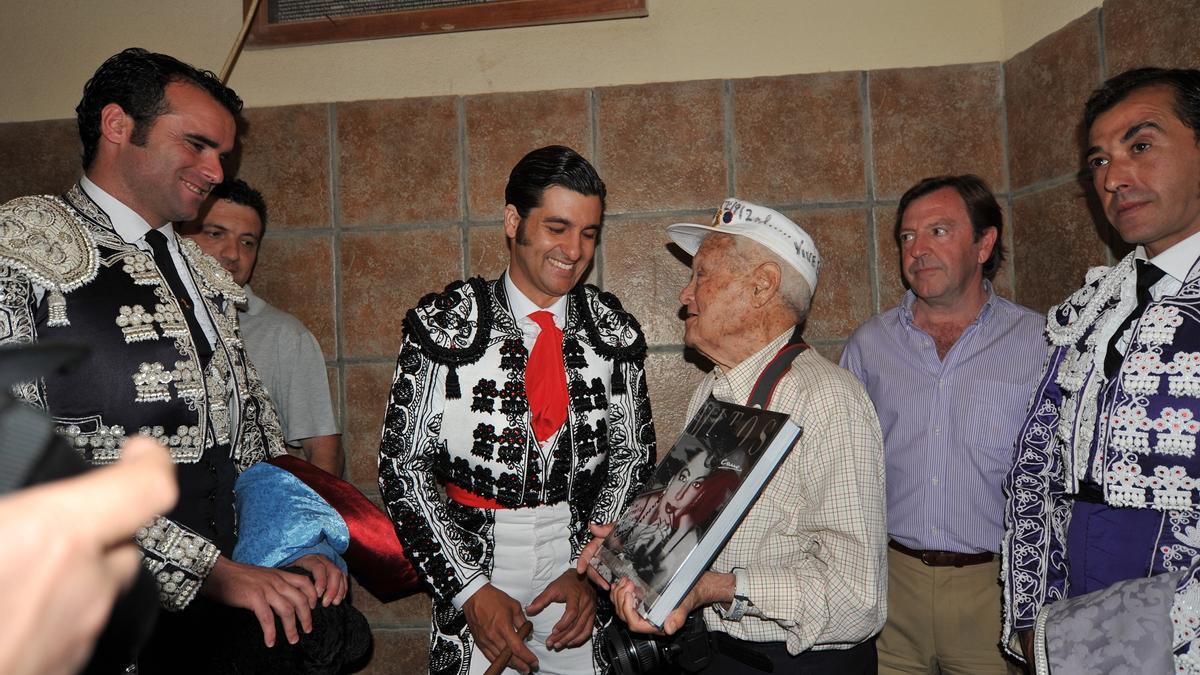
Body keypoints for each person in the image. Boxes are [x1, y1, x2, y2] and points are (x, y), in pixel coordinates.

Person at [0, 48, 346, 671]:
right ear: (117, 126)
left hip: (211, 619)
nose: (214, 170)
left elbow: (253, 442)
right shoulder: (20, 245)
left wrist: (298, 546)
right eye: (196, 145)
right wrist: (210, 571)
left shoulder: (200, 271)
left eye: (222, 154)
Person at [378, 145, 656, 675]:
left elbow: (633, 459)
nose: (573, 250)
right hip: (476, 562)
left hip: (578, 572)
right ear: (513, 221)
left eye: (589, 233)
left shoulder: (612, 333)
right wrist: (469, 590)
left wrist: (591, 570)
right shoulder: (446, 324)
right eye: (557, 227)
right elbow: (402, 467)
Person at [608, 198, 887, 674]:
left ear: (762, 287)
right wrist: (628, 551)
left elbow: (858, 599)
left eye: (702, 275)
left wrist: (716, 588)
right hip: (719, 657)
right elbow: (692, 519)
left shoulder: (829, 402)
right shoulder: (714, 389)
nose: (685, 294)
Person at [1002, 67, 1200, 671]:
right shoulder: (1092, 303)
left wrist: (1147, 632)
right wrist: (1030, 620)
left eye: (1140, 145)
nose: (1113, 178)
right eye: (1098, 161)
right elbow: (1036, 466)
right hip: (1071, 609)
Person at [840, 175, 1045, 673]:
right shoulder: (869, 345)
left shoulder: (1042, 341)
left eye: (938, 232)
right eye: (907, 237)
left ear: (984, 243)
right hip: (890, 585)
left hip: (993, 592)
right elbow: (839, 463)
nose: (918, 250)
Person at [181, 179, 344, 476]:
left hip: (249, 513)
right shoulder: (144, 318)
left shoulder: (284, 335)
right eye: (216, 234)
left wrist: (312, 520)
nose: (232, 254)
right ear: (180, 237)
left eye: (247, 242)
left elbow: (323, 449)